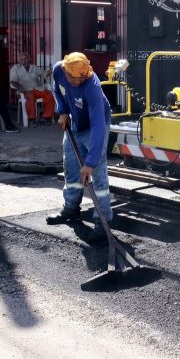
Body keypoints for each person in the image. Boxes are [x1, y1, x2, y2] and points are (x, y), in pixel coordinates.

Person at [46, 52, 113, 242]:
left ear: (86, 73)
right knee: (71, 167)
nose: (75, 82)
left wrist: (90, 162)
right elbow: (57, 90)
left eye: (79, 78)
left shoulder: (92, 86)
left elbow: (99, 126)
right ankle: (71, 208)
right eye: (71, 78)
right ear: (65, 70)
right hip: (75, 122)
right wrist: (63, 111)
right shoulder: (59, 70)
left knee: (98, 174)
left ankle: (103, 221)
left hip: (95, 126)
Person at [9, 51, 55, 125]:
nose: (24, 61)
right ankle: (32, 119)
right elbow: (13, 81)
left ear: (29, 59)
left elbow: (45, 74)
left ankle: (46, 117)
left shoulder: (33, 67)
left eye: (25, 59)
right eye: (22, 59)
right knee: (30, 97)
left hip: (38, 88)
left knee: (50, 95)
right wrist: (19, 88)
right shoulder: (15, 68)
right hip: (25, 89)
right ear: (19, 60)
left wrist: (54, 68)